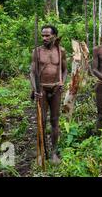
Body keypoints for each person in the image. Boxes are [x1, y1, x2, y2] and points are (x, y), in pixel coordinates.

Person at [30, 25, 67, 164]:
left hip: (56, 88)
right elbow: (32, 73)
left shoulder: (61, 51)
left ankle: (54, 152)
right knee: (42, 120)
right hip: (42, 89)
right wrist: (36, 89)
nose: (44, 38)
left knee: (55, 121)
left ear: (55, 36)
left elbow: (65, 70)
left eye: (47, 35)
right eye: (42, 35)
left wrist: (62, 82)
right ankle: (41, 150)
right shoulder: (37, 51)